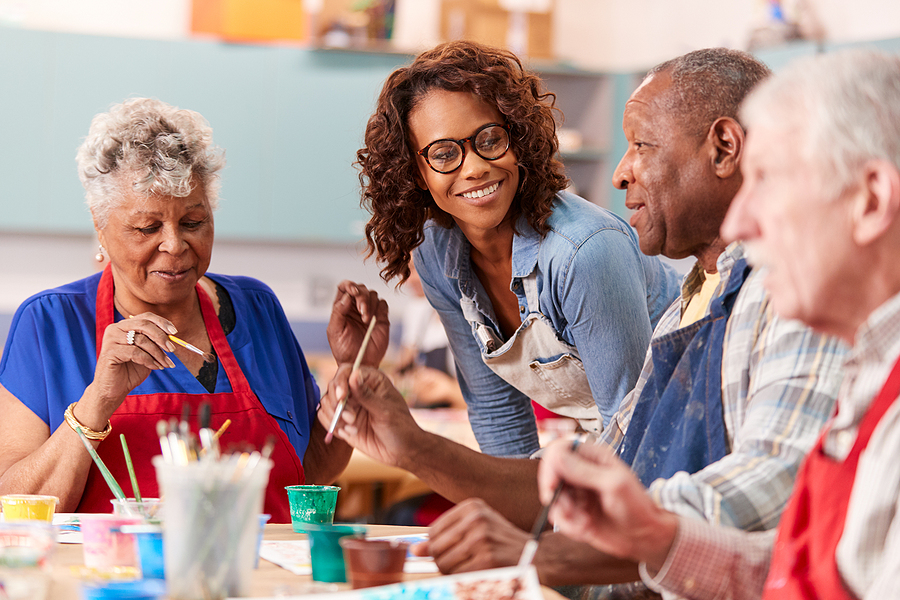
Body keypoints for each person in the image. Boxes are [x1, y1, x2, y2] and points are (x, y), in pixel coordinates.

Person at [324, 47, 845, 593]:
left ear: (725, 148)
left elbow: (733, 497)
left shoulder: (782, 295)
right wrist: (418, 450)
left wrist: (547, 558)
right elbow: (612, 473)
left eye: (641, 145)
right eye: (443, 153)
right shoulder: (692, 300)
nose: (620, 174)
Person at [538, 48, 900, 600]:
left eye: (769, 181)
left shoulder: (809, 320)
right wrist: (653, 536)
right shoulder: (869, 373)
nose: (740, 220)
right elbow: (800, 574)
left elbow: (776, 490)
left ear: (871, 200)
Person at [0, 98, 368, 522]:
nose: (174, 245)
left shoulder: (257, 309)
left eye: (192, 223)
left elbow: (312, 469)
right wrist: (97, 401)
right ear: (100, 227)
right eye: (147, 227)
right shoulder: (50, 325)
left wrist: (352, 370)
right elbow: (17, 509)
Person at [357, 40, 681, 458]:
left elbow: (633, 433)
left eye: (490, 139)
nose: (473, 167)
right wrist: (514, 520)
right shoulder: (437, 254)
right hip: (627, 450)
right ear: (416, 172)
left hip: (686, 442)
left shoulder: (583, 252)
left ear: (519, 139)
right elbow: (497, 413)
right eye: (443, 154)